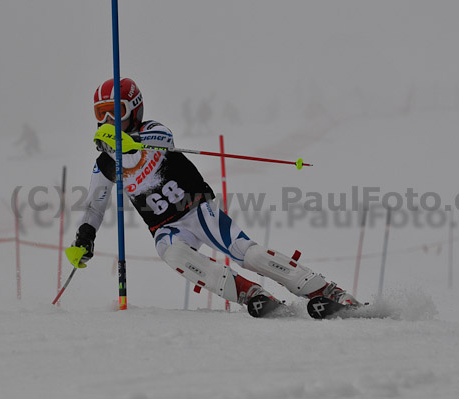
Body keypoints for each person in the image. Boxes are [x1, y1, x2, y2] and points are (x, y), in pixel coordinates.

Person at [72, 77, 359, 309]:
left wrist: (128, 141)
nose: (109, 119)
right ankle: (250, 294)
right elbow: (94, 207)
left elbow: (164, 138)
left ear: (134, 110)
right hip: (164, 226)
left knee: (248, 254)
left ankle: (322, 288)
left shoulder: (151, 132)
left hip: (196, 209)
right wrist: (85, 237)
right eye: (102, 114)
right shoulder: (105, 165)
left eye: (116, 111)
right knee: (174, 256)